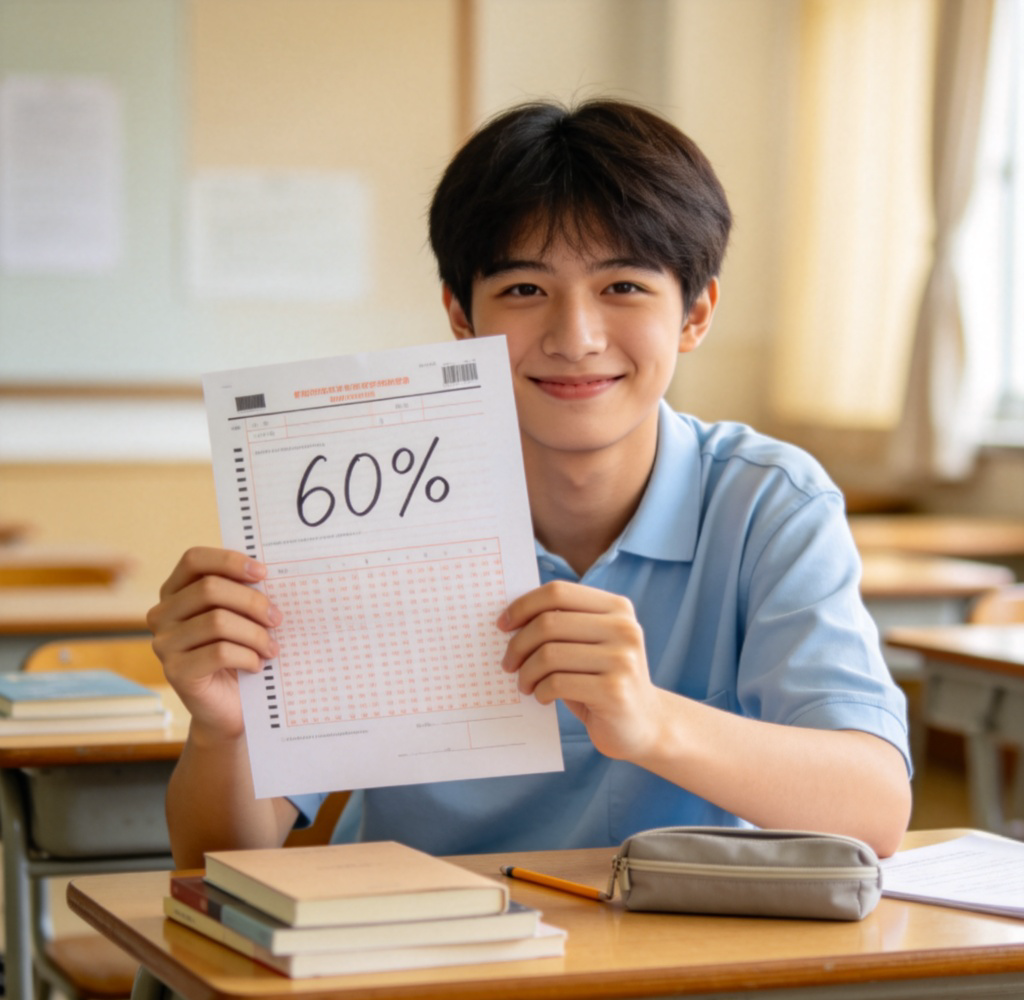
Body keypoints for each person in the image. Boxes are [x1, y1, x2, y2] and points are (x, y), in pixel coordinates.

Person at [149, 99, 912, 868]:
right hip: (415, 962)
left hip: (678, 964)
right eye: (523, 290)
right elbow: (220, 863)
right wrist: (226, 731)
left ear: (696, 313)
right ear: (459, 314)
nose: (574, 338)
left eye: (623, 287)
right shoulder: (359, 504)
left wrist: (650, 720)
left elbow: (874, 810)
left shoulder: (768, 504)